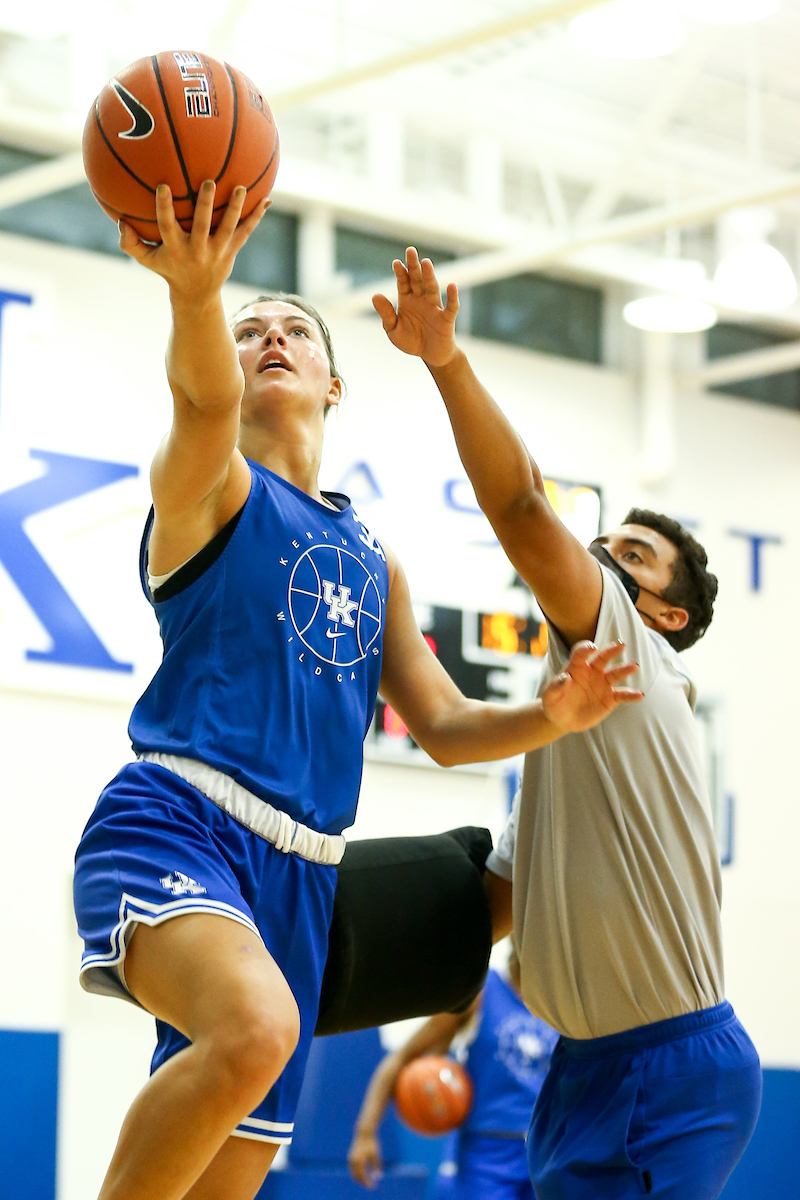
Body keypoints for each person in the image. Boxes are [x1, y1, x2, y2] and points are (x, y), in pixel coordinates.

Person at [72, 186, 643, 1200]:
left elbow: (444, 728)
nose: (271, 337)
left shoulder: (368, 557)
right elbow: (200, 401)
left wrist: (549, 717)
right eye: (250, 332)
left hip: (300, 881)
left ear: (336, 384)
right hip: (179, 823)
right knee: (256, 1028)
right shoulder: (210, 494)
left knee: (226, 1172)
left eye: (294, 328)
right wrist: (196, 296)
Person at [373, 248, 762, 1200]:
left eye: (634, 554)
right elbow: (487, 914)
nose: (602, 554)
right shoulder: (566, 759)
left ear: (663, 613)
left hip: (670, 1065)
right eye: (607, 543)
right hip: (584, 1069)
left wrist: (444, 361)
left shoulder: (633, 651)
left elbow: (517, 504)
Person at [349, 948, 558, 1200]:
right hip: (486, 1153)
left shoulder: (563, 1002)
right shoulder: (481, 992)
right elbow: (401, 1058)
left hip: (547, 1148)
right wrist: (365, 1132)